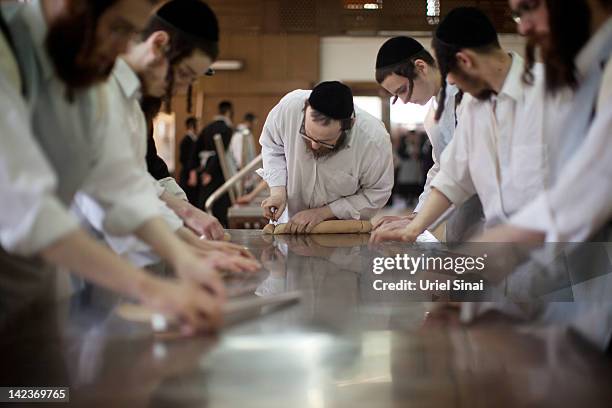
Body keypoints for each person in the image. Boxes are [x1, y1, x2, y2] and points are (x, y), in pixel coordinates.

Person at [0, 0, 222, 332]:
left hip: (37, 281)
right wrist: (150, 289)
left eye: (131, 32)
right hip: (24, 269)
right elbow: (24, 207)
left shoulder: (83, 66)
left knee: (44, 382)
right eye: (116, 28)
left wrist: (185, 258)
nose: (122, 49)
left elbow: (122, 184)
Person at [73, 0, 259, 271]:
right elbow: (111, 194)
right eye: (183, 75)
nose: (180, 89)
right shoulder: (99, 89)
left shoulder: (133, 105)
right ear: (158, 43)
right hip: (76, 249)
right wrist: (184, 252)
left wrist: (195, 244)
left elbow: (138, 184)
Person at [370, 7, 550, 244]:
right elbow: (453, 173)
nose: (450, 83)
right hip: (503, 245)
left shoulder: (551, 89)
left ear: (465, 61)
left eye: (450, 75)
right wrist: (415, 224)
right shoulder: (475, 106)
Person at [474, 0, 612, 243]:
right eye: (518, 15)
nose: (523, 28)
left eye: (531, 6)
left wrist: (507, 246)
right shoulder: (576, 74)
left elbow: (598, 178)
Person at [372, 36, 484, 242]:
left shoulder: (471, 95)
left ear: (421, 67)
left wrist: (418, 223)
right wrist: (417, 216)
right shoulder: (432, 117)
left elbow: (465, 166)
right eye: (396, 96)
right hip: (465, 214)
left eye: (403, 90)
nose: (404, 101)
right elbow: (442, 168)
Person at [259, 81, 394, 234]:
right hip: (289, 226)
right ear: (304, 109)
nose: (314, 146)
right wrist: (278, 192)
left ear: (349, 125)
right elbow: (273, 147)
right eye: (307, 135)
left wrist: (323, 213)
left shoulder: (373, 140)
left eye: (325, 142)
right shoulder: (289, 109)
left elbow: (376, 192)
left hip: (341, 237)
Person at [192, 100, 235, 226]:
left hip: (206, 165)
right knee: (220, 202)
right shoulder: (226, 128)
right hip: (218, 169)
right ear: (228, 112)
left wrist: (199, 170)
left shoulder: (207, 127)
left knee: (206, 198)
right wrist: (209, 172)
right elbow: (220, 152)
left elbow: (196, 149)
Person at [179, 116, 200, 204]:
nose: (199, 127)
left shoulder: (193, 140)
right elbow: (183, 159)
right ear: (192, 126)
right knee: (190, 200)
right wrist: (192, 172)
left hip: (191, 173)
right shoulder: (187, 140)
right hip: (188, 175)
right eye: (198, 125)